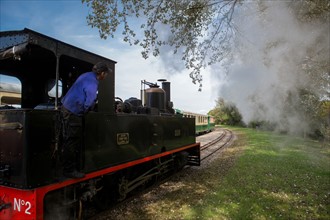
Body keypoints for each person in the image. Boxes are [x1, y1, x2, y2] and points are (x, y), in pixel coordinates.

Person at [61, 62, 111, 178]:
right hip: (73, 111)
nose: (106, 76)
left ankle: (68, 167)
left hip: (66, 108)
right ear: (102, 73)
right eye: (106, 74)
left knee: (68, 139)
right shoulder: (93, 82)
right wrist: (85, 111)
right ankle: (69, 170)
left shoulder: (85, 75)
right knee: (72, 141)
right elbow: (90, 100)